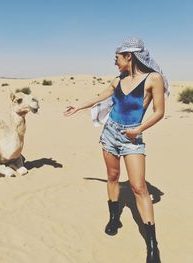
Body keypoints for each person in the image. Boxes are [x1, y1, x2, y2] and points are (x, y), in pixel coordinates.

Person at [64, 37, 168, 263]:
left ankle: (152, 246)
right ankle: (114, 218)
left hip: (132, 137)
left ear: (129, 57)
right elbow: (100, 97)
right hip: (110, 134)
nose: (115, 62)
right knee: (112, 176)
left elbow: (159, 111)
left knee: (139, 187)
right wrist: (78, 106)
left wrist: (138, 129)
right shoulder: (118, 79)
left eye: (117, 58)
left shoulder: (153, 79)